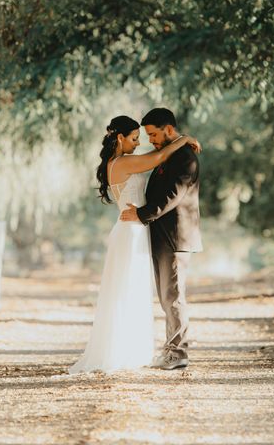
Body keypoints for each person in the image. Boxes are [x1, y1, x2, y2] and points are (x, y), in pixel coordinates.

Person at [68, 115, 200, 374]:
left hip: (135, 229)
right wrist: (184, 139)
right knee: (129, 290)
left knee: (136, 291)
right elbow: (158, 158)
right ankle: (127, 350)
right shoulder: (124, 162)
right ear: (120, 138)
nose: (141, 143)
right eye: (135, 138)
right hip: (132, 230)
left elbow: (158, 158)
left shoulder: (118, 161)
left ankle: (139, 349)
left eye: (145, 137)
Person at [120, 108, 202, 370]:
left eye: (154, 134)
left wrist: (140, 215)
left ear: (168, 129)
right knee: (167, 296)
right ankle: (171, 349)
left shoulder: (186, 158)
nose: (151, 140)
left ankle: (178, 353)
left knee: (173, 296)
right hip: (160, 236)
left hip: (175, 238)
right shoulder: (171, 154)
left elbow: (173, 196)